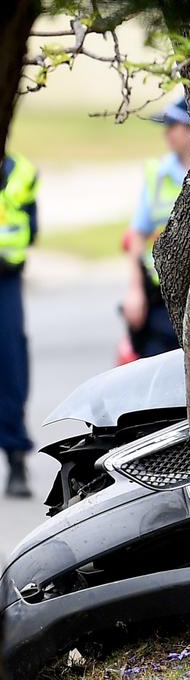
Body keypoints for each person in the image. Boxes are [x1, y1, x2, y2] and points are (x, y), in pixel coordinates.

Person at [123, 97, 190, 358]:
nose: (166, 133)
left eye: (172, 125)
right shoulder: (157, 174)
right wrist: (135, 290)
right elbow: (137, 235)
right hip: (160, 298)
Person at [0, 151, 39, 498]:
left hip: (5, 279)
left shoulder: (21, 173)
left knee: (10, 367)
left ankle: (15, 458)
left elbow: (31, 229)